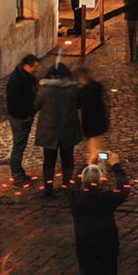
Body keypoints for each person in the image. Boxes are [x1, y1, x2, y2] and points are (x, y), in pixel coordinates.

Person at [66, 154, 131, 275]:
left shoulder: (75, 199)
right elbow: (124, 188)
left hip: (85, 251)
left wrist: (87, 164)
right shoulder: (107, 199)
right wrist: (116, 166)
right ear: (101, 181)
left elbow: (71, 183)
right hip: (106, 250)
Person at [33, 62, 82, 197]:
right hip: (68, 129)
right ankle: (66, 185)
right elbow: (79, 104)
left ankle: (48, 187)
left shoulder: (45, 90)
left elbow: (36, 105)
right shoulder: (72, 89)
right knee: (67, 158)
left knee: (49, 160)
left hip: (49, 130)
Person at [5, 54, 40, 185]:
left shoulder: (27, 78)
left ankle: (19, 171)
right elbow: (13, 104)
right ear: (27, 66)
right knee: (18, 147)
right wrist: (25, 116)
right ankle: (17, 175)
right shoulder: (17, 81)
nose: (36, 70)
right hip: (20, 118)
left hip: (26, 116)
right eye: (35, 68)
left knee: (21, 145)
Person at [74, 64, 109, 161]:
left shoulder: (83, 91)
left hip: (90, 124)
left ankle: (95, 167)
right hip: (100, 121)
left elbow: (78, 104)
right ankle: (103, 162)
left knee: (93, 150)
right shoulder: (98, 87)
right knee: (100, 147)